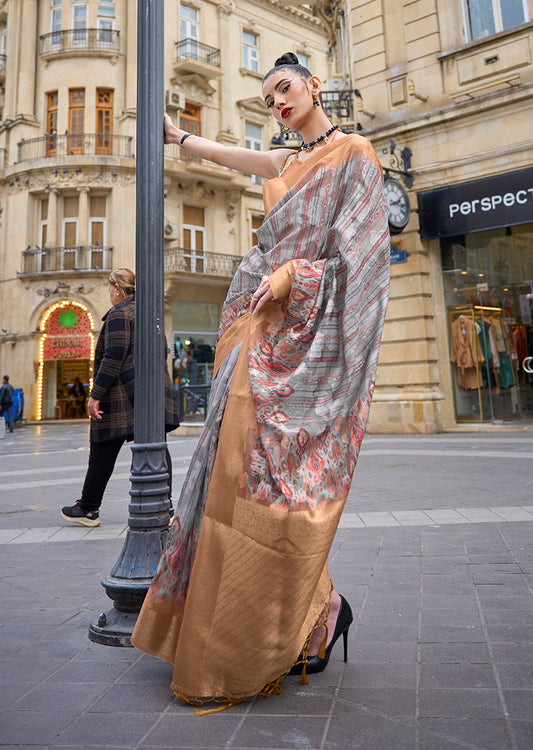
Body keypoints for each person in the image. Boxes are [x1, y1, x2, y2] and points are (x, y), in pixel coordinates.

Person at [132, 53, 390, 710]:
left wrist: (294, 278)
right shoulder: (286, 164)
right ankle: (316, 610)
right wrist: (180, 138)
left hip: (303, 344)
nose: (276, 100)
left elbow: (359, 269)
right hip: (254, 338)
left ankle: (306, 615)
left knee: (273, 491)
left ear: (314, 85)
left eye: (284, 87)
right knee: (232, 483)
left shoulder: (353, 155)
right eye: (267, 93)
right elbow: (237, 159)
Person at [61, 267, 179, 527]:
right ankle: (165, 506)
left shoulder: (118, 313)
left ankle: (89, 508)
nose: (109, 292)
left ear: (116, 287)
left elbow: (112, 357)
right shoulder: (151, 313)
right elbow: (165, 352)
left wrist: (95, 395)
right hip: (151, 391)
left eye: (110, 287)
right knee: (156, 445)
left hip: (121, 394)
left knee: (103, 447)